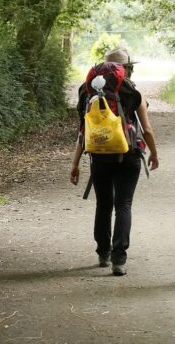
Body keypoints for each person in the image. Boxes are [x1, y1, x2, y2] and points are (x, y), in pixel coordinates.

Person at [69, 47, 159, 276]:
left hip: (98, 154)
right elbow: (146, 129)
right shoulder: (131, 91)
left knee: (103, 204)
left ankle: (103, 253)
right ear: (126, 68)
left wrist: (75, 163)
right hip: (128, 154)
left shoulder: (87, 90)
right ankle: (119, 260)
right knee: (124, 204)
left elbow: (83, 129)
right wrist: (154, 153)